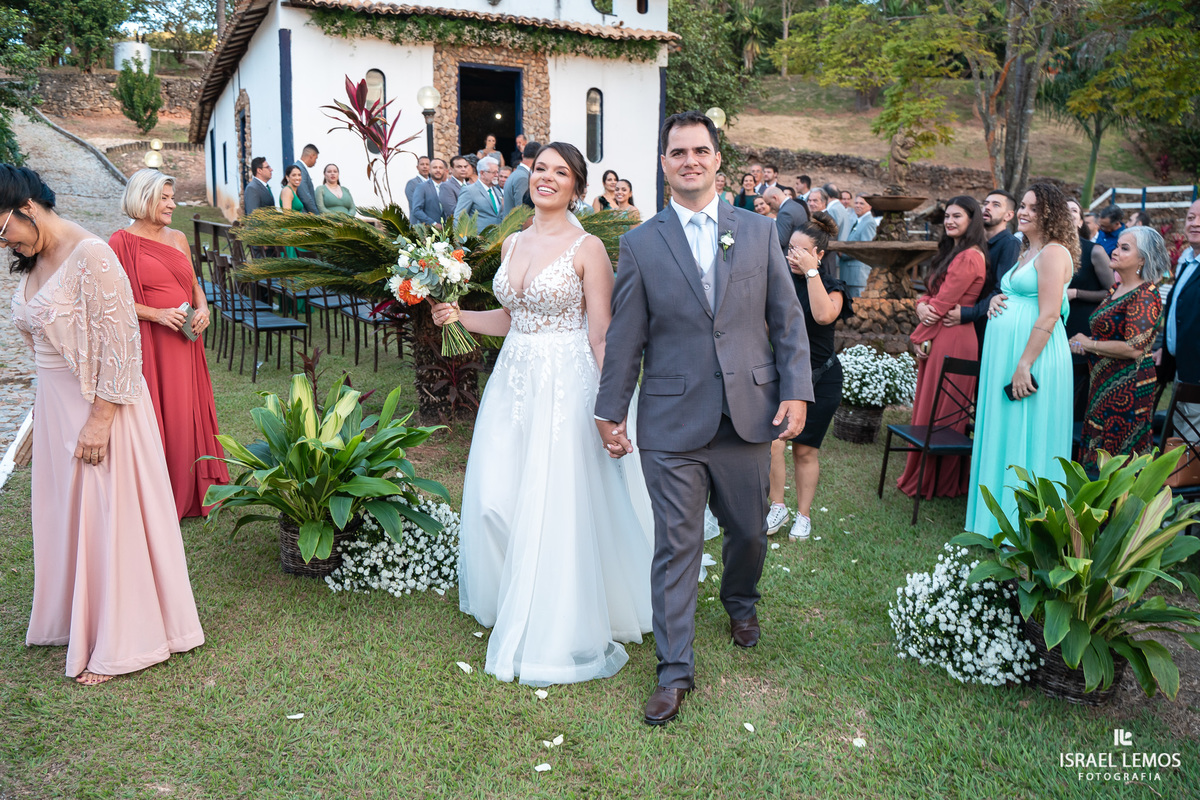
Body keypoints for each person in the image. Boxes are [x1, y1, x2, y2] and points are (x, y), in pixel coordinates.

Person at [595, 110, 812, 726]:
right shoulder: (639, 243)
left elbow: (786, 319)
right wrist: (610, 410)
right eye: (677, 152)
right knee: (677, 544)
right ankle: (674, 670)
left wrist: (795, 390)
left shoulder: (757, 231)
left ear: (718, 160)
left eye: (700, 151)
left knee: (748, 530)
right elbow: (626, 336)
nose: (690, 160)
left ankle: (740, 599)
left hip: (748, 411)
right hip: (671, 419)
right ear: (663, 164)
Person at [431, 142, 652, 686]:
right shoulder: (511, 242)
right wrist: (458, 315)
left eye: (561, 172)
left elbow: (600, 333)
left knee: (559, 497)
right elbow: (511, 317)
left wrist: (613, 407)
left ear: (577, 186)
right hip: (514, 380)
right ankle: (505, 589)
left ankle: (561, 604)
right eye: (540, 169)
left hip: (567, 382)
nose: (546, 178)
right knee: (497, 493)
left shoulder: (590, 247)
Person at [4, 164, 204, 685]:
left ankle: (125, 639)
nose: (4, 241)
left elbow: (122, 343)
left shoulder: (92, 253)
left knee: (106, 516)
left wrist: (100, 420)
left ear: (27, 208)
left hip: (102, 408)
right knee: (65, 516)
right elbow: (45, 346)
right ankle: (79, 618)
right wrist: (36, 416)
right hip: (55, 409)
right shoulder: (33, 259)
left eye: (4, 229)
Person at [109, 169, 229, 518]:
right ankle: (162, 496)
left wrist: (204, 308)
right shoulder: (119, 243)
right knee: (161, 414)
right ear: (142, 198)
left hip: (186, 342)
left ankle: (195, 488)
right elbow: (112, 303)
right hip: (152, 344)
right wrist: (157, 315)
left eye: (171, 197)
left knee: (189, 410)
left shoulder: (177, 238)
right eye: (164, 197)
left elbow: (194, 287)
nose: (171, 204)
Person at [966, 183, 1077, 535]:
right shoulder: (1027, 250)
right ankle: (992, 522)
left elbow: (1047, 315)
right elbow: (1016, 292)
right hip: (1007, 352)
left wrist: (1025, 364)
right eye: (1024, 206)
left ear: (1050, 214)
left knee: (1027, 433)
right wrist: (999, 299)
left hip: (1034, 355)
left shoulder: (1055, 253)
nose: (1025, 212)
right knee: (1003, 431)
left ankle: (1025, 528)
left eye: (1032, 207)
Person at [765, 213, 852, 540]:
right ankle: (778, 505)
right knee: (772, 443)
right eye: (790, 250)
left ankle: (804, 515)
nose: (793, 256)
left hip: (822, 377)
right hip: (782, 376)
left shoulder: (832, 286)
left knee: (804, 450)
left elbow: (822, 315)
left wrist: (811, 272)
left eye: (801, 251)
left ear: (819, 254)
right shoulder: (778, 283)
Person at [901, 196, 988, 498]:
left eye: (957, 216)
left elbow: (943, 302)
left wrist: (918, 334)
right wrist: (920, 305)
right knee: (929, 403)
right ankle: (924, 473)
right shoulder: (953, 252)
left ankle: (939, 480)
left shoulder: (969, 257)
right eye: (947, 216)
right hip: (940, 333)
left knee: (944, 409)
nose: (950, 221)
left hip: (956, 337)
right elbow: (931, 297)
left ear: (971, 220)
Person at [1071, 227, 1167, 473]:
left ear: (1142, 259)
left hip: (1128, 387)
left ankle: (1119, 509)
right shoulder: (1115, 289)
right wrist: (1088, 345)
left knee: (1119, 455)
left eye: (1125, 248)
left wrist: (1089, 343)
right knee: (1098, 446)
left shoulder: (1146, 294)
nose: (1115, 251)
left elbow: (1135, 348)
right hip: (1103, 382)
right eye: (1118, 246)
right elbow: (1107, 334)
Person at [942, 190, 1021, 352]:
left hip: (985, 324)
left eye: (995, 205)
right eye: (985, 204)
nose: (988, 208)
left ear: (1009, 215)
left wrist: (968, 313)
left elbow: (1002, 290)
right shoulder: (971, 244)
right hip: (954, 319)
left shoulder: (1010, 244)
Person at [1064, 197, 1114, 419]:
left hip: (1081, 328)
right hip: (1052, 326)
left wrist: (1076, 293)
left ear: (1081, 220)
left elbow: (1112, 292)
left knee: (1076, 393)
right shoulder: (1047, 251)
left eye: (1074, 211)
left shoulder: (1094, 251)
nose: (1068, 214)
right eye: (1063, 210)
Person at [1157, 198, 1200, 441]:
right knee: (1180, 444)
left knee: (1190, 450)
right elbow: (1178, 313)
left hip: (1197, 375)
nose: (1195, 223)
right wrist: (1166, 348)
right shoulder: (1187, 260)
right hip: (1180, 370)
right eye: (1191, 217)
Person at [838, 194, 878, 298]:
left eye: (861, 203)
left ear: (870, 206)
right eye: (856, 203)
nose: (857, 206)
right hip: (849, 274)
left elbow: (865, 249)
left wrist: (843, 253)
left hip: (857, 275)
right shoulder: (858, 221)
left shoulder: (869, 223)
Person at [454, 156, 504, 229]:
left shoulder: (497, 191)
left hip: (498, 237)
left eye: (497, 172)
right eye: (493, 172)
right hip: (479, 238)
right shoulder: (469, 190)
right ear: (482, 173)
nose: (496, 175)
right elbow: (459, 218)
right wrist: (464, 239)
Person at [765, 186, 808, 255]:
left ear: (775, 197)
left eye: (769, 203)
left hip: (789, 257)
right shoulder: (797, 205)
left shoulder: (784, 212)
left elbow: (781, 241)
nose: (770, 208)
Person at [410, 157, 448, 226]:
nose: (438, 170)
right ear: (429, 170)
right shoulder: (422, 187)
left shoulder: (448, 188)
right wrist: (433, 223)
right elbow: (416, 210)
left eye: (440, 168)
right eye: (435, 167)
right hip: (428, 230)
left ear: (444, 171)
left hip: (447, 231)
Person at [503, 141, 537, 213]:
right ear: (538, 158)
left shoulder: (516, 173)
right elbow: (522, 211)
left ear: (522, 156)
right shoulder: (523, 177)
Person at [292, 144, 319, 213]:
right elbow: (305, 195)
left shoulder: (300, 168)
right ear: (311, 156)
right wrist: (316, 215)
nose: (315, 162)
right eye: (316, 158)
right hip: (304, 214)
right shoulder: (299, 169)